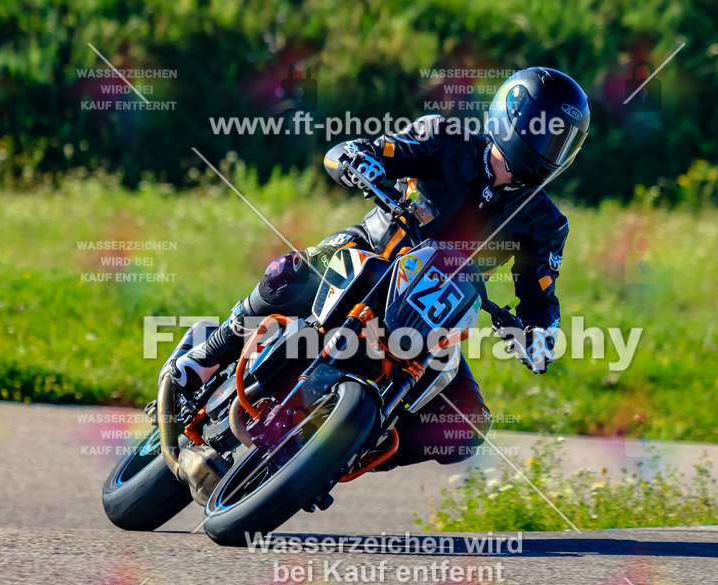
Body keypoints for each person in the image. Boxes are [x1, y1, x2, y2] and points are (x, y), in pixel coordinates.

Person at [165, 67, 590, 469]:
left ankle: (350, 451)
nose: (553, 150)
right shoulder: (444, 138)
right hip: (371, 255)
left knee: (467, 425)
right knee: (287, 273)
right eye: (549, 133)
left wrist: (541, 331)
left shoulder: (546, 223)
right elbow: (358, 152)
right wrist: (355, 160)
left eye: (564, 142)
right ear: (513, 116)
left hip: (431, 316)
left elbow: (540, 297)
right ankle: (205, 355)